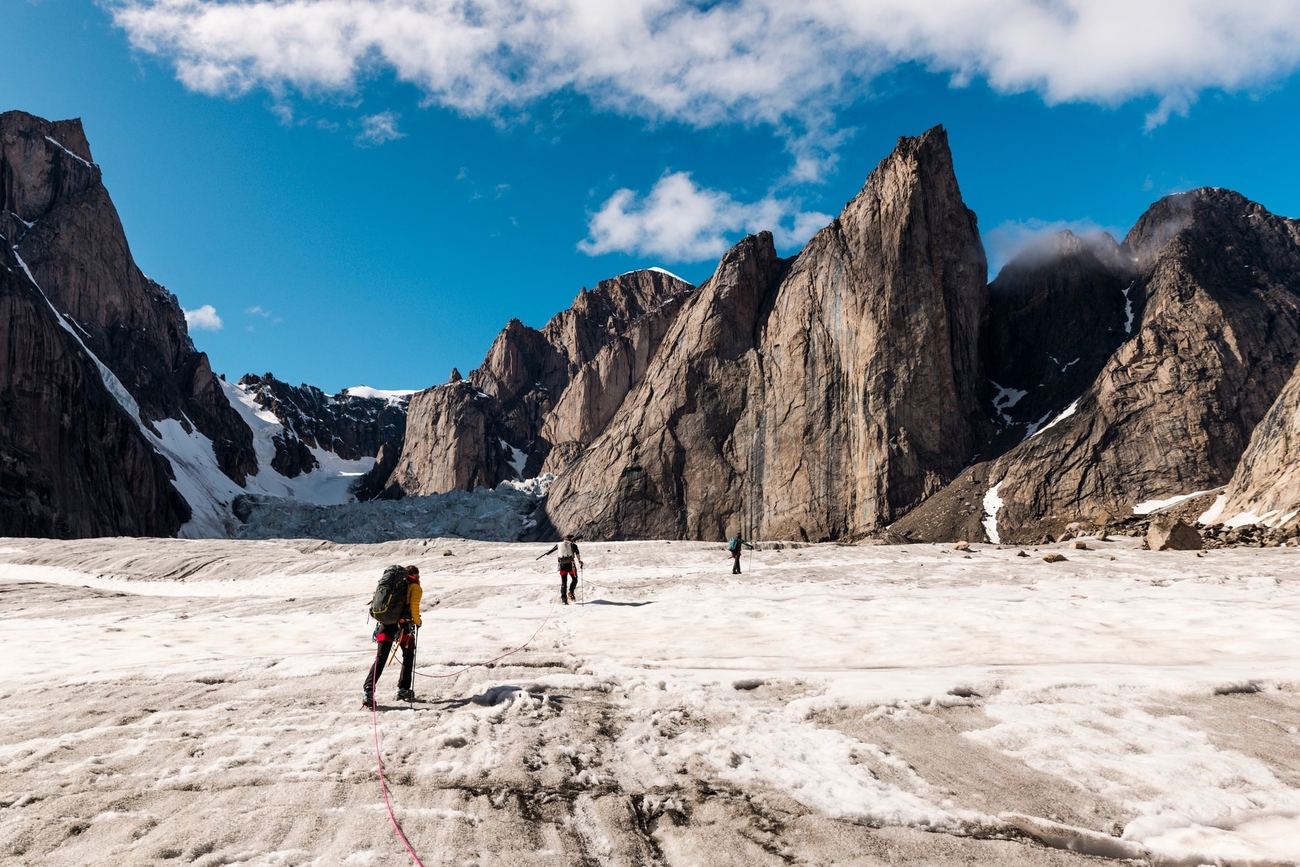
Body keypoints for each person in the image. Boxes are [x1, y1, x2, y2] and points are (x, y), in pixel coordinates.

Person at [363, 565, 422, 707]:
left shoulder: (391, 585)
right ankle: (403, 689)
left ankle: (368, 691)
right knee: (408, 656)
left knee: (381, 658)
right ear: (415, 575)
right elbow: (414, 608)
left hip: (385, 625)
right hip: (404, 627)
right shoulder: (415, 587)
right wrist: (418, 622)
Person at [557, 534, 583, 604]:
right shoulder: (573, 545)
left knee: (564, 583)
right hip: (571, 566)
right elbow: (577, 554)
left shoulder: (560, 545)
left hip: (562, 566)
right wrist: (580, 561)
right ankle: (571, 591)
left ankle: (564, 600)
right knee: (574, 579)